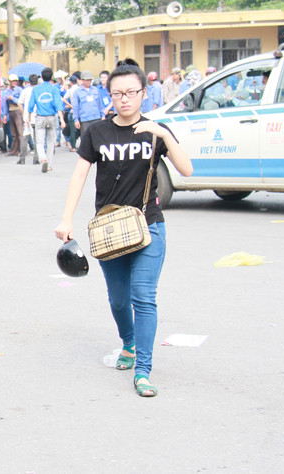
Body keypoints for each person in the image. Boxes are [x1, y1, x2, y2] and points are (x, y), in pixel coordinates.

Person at [54, 58, 193, 398]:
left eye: (131, 92)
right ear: (109, 95)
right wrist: (67, 218)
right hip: (109, 229)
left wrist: (161, 134)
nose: (125, 99)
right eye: (117, 93)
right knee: (118, 301)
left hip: (149, 226)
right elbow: (79, 175)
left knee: (143, 298)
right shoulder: (96, 132)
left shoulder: (155, 131)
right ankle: (128, 343)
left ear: (144, 94)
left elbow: (186, 169)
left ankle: (143, 371)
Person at [28, 67, 65, 173]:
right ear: (51, 77)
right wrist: (62, 120)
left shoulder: (36, 89)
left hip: (40, 117)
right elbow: (58, 105)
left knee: (39, 142)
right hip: (51, 117)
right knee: (50, 142)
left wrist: (29, 117)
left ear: (42, 77)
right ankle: (49, 164)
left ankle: (43, 158)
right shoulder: (54, 89)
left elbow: (31, 105)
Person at [71, 71, 105, 138]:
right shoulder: (77, 92)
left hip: (96, 118)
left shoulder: (95, 90)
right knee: (86, 139)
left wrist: (102, 115)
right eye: (87, 80)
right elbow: (75, 107)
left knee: (97, 138)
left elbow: (100, 103)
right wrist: (76, 120)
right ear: (82, 80)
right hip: (85, 120)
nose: (89, 82)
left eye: (90, 80)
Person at [1, 73, 23, 157]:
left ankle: (21, 150)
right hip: (10, 111)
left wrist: (12, 98)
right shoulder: (7, 91)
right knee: (13, 133)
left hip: (17, 110)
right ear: (9, 81)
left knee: (20, 132)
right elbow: (5, 104)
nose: (14, 82)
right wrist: (5, 115)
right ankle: (14, 150)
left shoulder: (19, 90)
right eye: (12, 81)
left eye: (15, 81)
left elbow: (20, 101)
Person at [18, 74, 38, 164]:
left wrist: (23, 113)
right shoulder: (39, 90)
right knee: (37, 139)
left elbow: (19, 103)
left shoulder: (25, 91)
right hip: (38, 116)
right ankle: (36, 159)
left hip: (27, 117)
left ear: (29, 82)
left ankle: (22, 158)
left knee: (25, 137)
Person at [62, 75, 79, 152]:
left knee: (73, 130)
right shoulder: (80, 89)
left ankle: (73, 146)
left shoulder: (70, 90)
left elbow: (64, 99)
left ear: (71, 82)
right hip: (81, 111)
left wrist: (70, 105)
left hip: (73, 112)